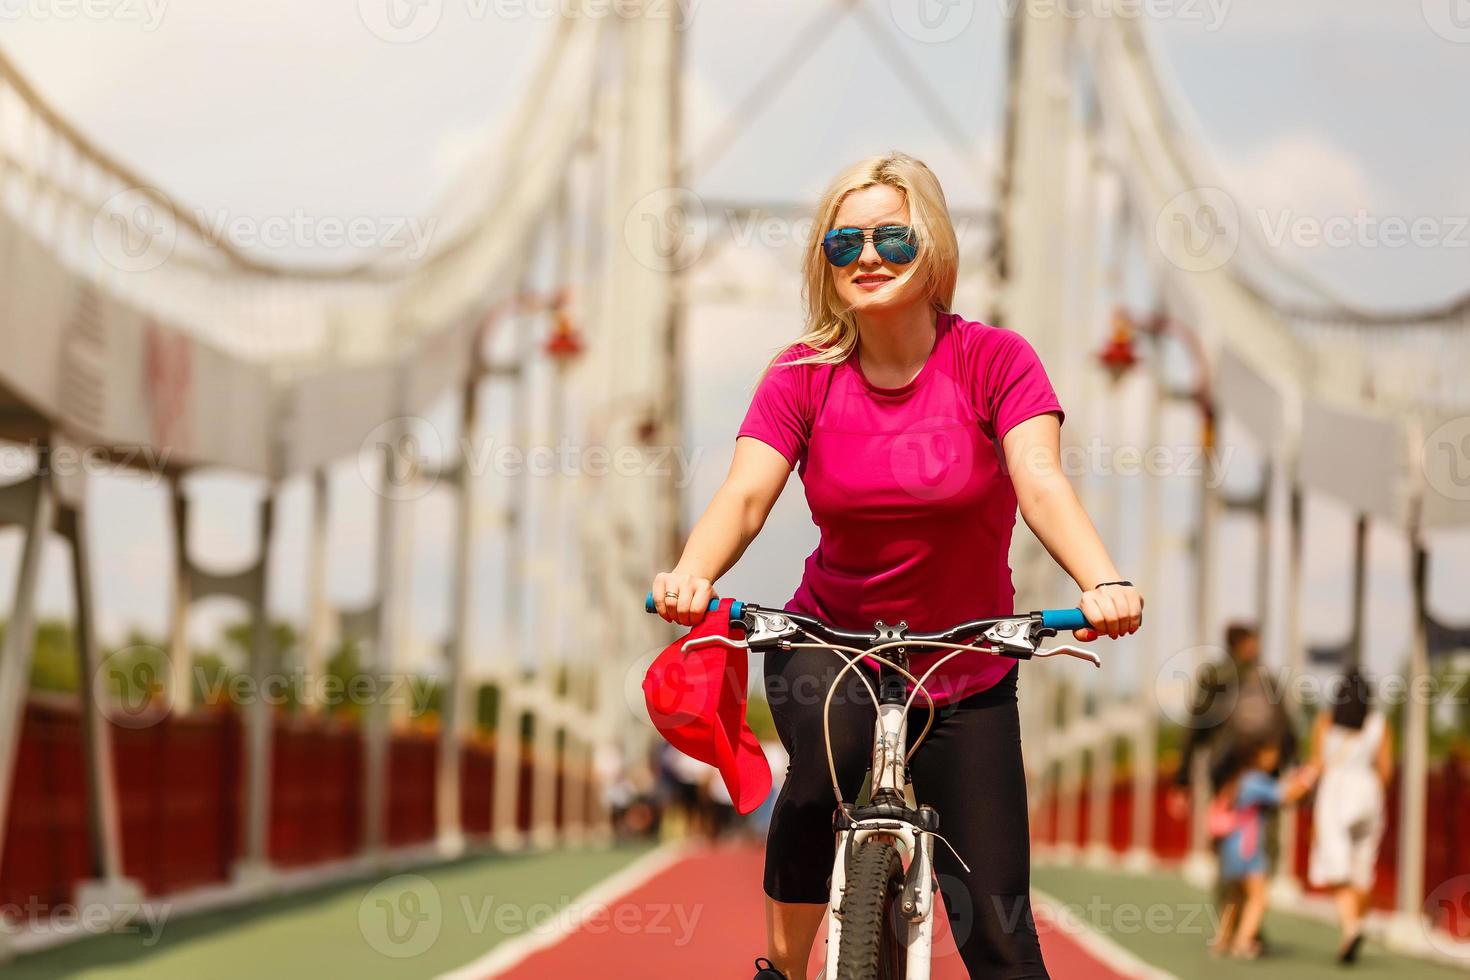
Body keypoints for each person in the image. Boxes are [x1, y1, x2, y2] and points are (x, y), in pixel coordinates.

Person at [648, 152, 1143, 980]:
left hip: (967, 663)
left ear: (936, 246)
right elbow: (743, 496)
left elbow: (1043, 483)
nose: (866, 257)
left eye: (890, 237)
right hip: (832, 644)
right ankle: (785, 971)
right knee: (818, 780)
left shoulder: (995, 362)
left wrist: (1101, 581)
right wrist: (691, 571)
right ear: (825, 263)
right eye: (843, 244)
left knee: (999, 936)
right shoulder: (801, 374)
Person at [1308, 669, 1392, 965]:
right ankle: (1358, 922)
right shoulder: (1379, 723)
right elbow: (1385, 769)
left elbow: (1316, 764)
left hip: (1336, 793)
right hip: (1368, 794)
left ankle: (1351, 926)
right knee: (1362, 865)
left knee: (1335, 866)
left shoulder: (1325, 722)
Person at [1209, 737, 1318, 959]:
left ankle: (1223, 939)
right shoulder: (1254, 781)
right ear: (1256, 756)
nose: (1275, 758)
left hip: (1230, 845)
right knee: (1259, 897)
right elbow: (1284, 794)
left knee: (1235, 894)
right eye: (1270, 753)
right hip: (1248, 846)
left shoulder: (1236, 781)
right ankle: (1244, 940)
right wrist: (1309, 775)